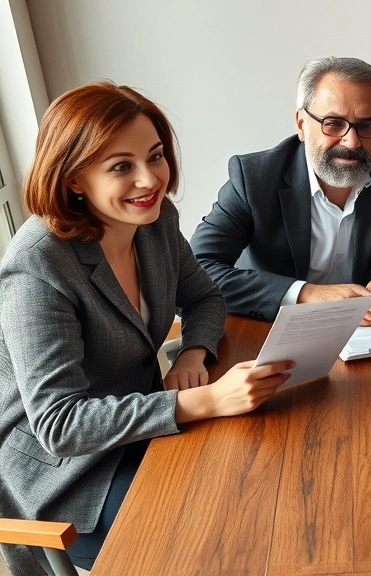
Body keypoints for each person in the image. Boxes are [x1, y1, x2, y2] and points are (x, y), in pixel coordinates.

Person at [0, 82, 293, 575]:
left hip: (143, 426)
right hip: (70, 477)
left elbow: (204, 297)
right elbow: (59, 425)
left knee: (262, 484)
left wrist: (194, 354)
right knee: (221, 534)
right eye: (121, 167)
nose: (149, 179)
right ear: (74, 179)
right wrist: (205, 401)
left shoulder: (154, 221)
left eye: (155, 156)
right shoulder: (38, 265)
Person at [191, 57, 371, 324]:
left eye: (366, 125)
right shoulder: (254, 178)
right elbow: (196, 271)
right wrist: (306, 294)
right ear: (301, 124)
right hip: (273, 328)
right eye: (333, 123)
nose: (351, 141)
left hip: (370, 328)